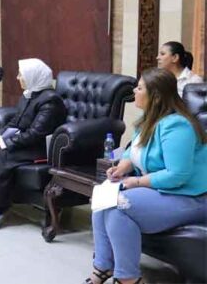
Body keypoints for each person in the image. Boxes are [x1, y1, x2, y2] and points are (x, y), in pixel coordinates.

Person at [86, 68, 207, 284]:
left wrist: (137, 181)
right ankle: (103, 266)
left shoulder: (177, 125)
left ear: (156, 96)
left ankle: (128, 278)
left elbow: (177, 175)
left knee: (119, 205)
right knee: (103, 199)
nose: (134, 91)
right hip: (164, 190)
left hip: (190, 196)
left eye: (140, 88)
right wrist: (123, 167)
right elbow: (134, 150)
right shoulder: (148, 119)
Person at [0, 58, 67, 228]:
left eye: (21, 75)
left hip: (39, 149)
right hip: (25, 144)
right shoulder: (29, 94)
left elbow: (35, 134)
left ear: (33, 76)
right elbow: (15, 123)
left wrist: (0, 143)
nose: (18, 78)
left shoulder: (50, 101)